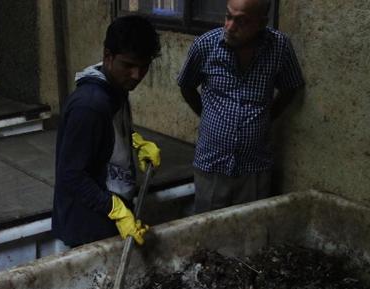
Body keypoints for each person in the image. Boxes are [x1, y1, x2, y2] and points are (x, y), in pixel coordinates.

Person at [178, 0, 305, 213]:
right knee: (207, 234)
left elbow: (291, 87)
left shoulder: (279, 47)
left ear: (262, 23)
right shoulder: (206, 45)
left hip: (254, 167)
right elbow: (187, 85)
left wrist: (266, 118)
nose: (230, 26)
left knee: (250, 234)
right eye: (228, 16)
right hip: (212, 165)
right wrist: (208, 115)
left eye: (242, 21)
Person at [52, 15, 162, 248]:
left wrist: (135, 141)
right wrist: (114, 209)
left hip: (108, 211)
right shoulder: (89, 106)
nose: (137, 75)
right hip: (88, 226)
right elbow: (71, 175)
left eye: (144, 66)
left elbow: (106, 134)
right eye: (129, 65)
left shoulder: (115, 86)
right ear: (107, 56)